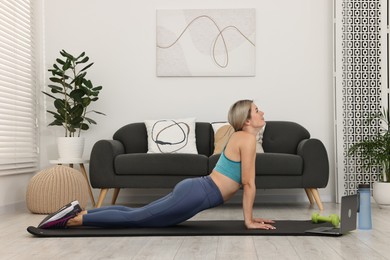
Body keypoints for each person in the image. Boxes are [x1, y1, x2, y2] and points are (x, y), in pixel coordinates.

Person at [38, 99, 276, 230]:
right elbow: (248, 183)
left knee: (137, 214)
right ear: (246, 119)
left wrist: (251, 218)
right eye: (257, 110)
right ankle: (75, 220)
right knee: (138, 219)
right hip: (198, 194)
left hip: (196, 190)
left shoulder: (240, 137)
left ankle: (80, 212)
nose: (262, 112)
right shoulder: (246, 139)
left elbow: (245, 182)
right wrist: (249, 221)